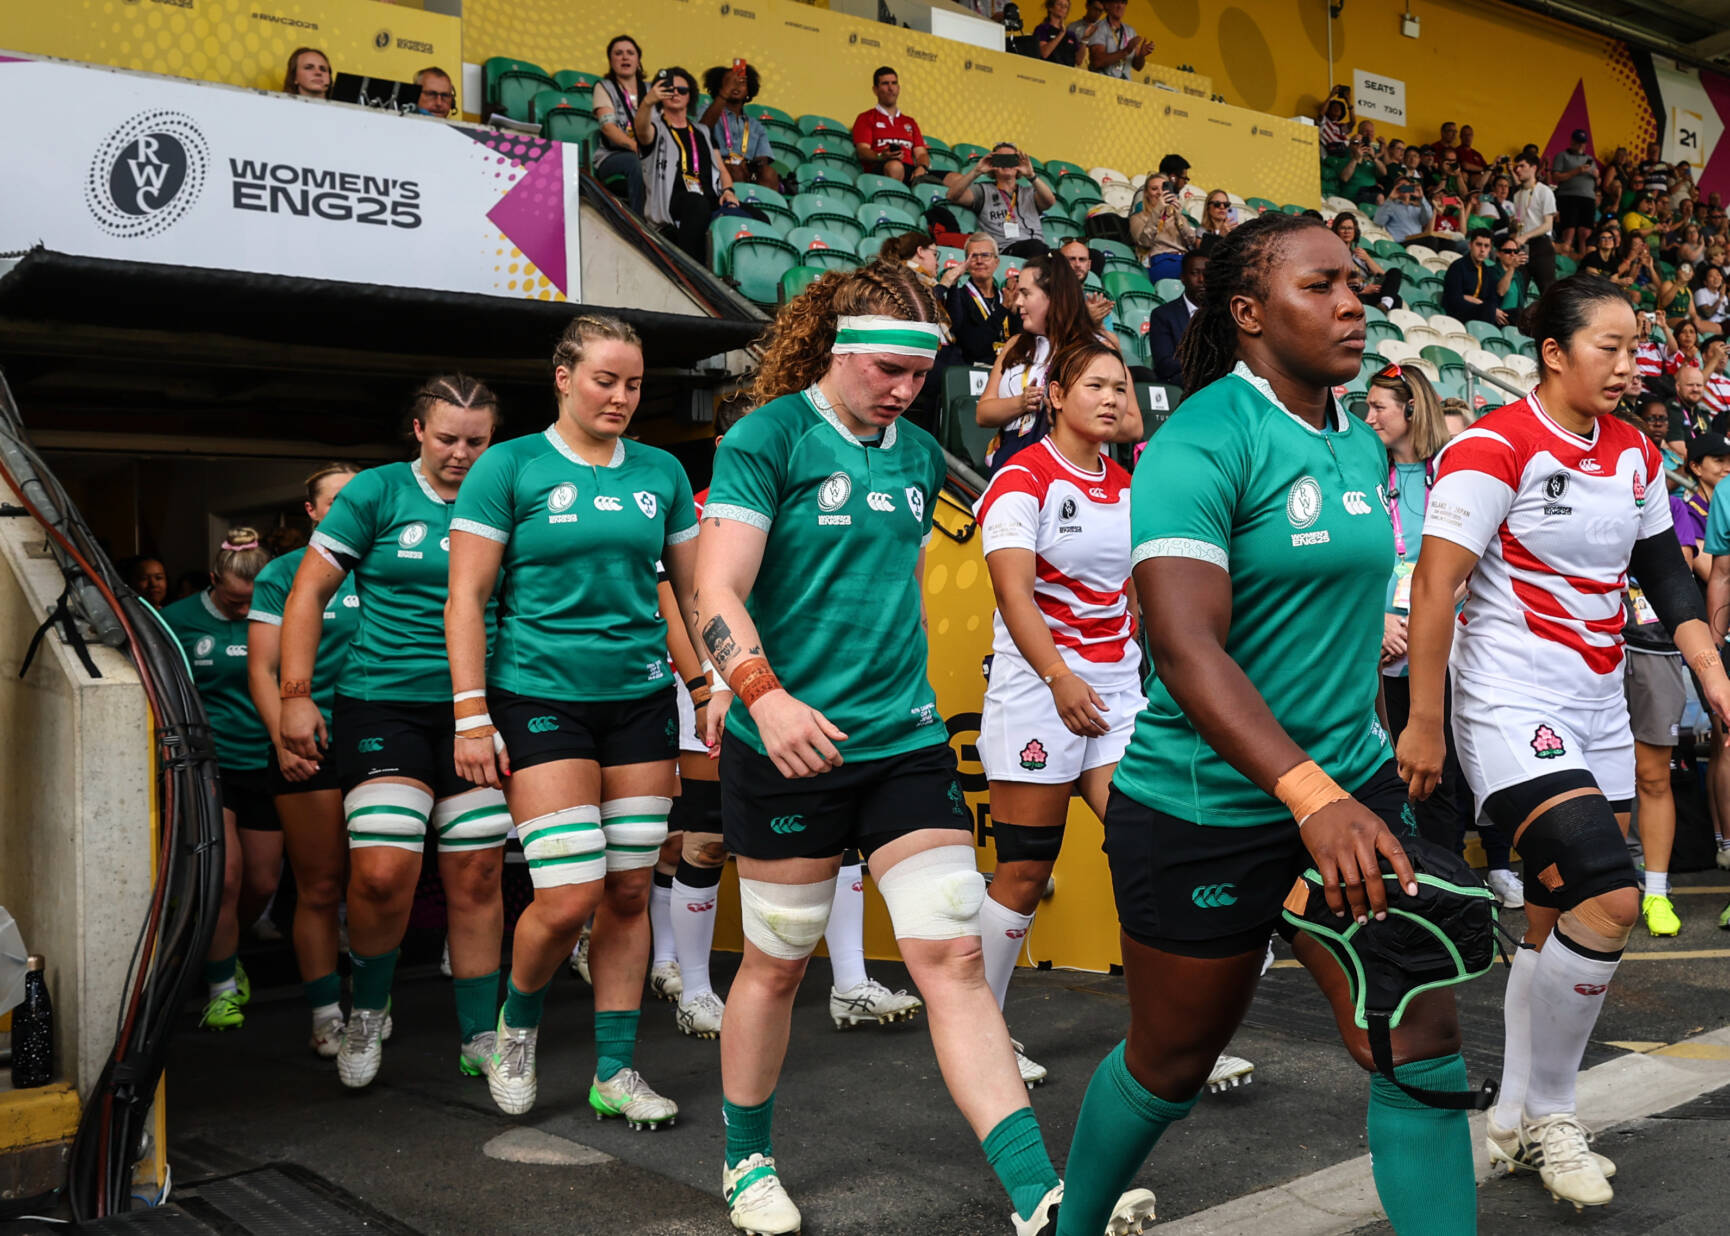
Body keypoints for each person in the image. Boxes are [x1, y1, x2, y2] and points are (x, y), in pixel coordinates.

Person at [692, 261, 1155, 1236]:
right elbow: (717, 593)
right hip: (784, 743)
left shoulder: (910, 456)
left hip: (899, 743)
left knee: (947, 955)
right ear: (832, 346)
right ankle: (745, 1161)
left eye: (917, 372)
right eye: (885, 370)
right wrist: (757, 697)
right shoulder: (765, 439)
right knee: (775, 964)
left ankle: (1038, 1196)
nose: (904, 391)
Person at [1055, 213, 1475, 1236]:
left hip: (1347, 785)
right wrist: (1307, 797)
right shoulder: (1203, 438)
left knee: (1415, 1036)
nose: (1350, 302)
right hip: (1202, 805)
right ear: (1245, 312)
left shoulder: (1353, 440)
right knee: (1169, 1063)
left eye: (1354, 283)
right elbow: (1186, 648)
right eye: (1319, 285)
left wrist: (1350, 772)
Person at [1400, 274, 1730, 1208]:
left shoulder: (1634, 451)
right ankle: (1552, 1113)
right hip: (1508, 701)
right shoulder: (1491, 447)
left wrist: (1709, 670)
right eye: (1609, 349)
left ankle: (1509, 1114)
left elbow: (1664, 570)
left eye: (1637, 350)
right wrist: (1427, 720)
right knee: (1611, 897)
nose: (1630, 368)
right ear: (1555, 352)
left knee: (1555, 919)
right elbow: (1433, 590)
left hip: (1597, 702)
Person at [445, 317, 692, 1124]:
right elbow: (467, 600)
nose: (621, 397)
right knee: (569, 893)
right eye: (604, 381)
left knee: (628, 890)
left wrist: (714, 684)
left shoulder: (661, 470)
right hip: (539, 695)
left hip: (642, 698)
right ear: (562, 377)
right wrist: (472, 717)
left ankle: (613, 1072)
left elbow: (690, 596)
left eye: (633, 384)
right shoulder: (508, 466)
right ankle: (516, 1026)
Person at [279, 376, 513, 1090]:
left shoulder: (509, 490)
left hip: (479, 708)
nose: (461, 454)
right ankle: (366, 1009)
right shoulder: (376, 491)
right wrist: (295, 696)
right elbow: (307, 593)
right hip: (382, 704)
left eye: (477, 441)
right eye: (447, 438)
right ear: (417, 430)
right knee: (381, 873)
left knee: (475, 870)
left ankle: (480, 1032)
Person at [974, 340, 1143, 1091]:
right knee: (1023, 870)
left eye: (1121, 386)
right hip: (1039, 695)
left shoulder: (1130, 481)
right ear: (1056, 394)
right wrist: (1058, 676)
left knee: (1145, 850)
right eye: (1095, 386)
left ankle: (1167, 1037)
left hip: (1118, 693)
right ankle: (981, 1030)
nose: (1110, 398)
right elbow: (1013, 595)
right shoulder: (1022, 477)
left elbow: (1133, 590)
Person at [1364, 366, 1516, 901]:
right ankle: (1391, 888)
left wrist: (1433, 609)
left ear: (1412, 410)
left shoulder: (1449, 472)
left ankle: (1445, 891)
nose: (1369, 416)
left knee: (1441, 776)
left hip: (1440, 643)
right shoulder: (1363, 470)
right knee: (1383, 770)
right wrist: (1375, 622)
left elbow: (1476, 555)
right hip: (1374, 646)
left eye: (1379, 405)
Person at [246, 464, 362, 1055]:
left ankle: (372, 1005)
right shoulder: (283, 574)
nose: (349, 506)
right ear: (312, 512)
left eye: (357, 497)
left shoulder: (388, 563)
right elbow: (262, 669)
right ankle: (325, 1014)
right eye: (336, 500)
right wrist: (282, 738)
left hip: (379, 737)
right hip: (309, 743)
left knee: (375, 884)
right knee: (319, 887)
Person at [163, 529, 278, 1031]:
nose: (244, 610)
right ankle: (221, 988)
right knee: (225, 879)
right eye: (234, 600)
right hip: (213, 764)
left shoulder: (281, 608)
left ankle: (227, 952)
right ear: (214, 581)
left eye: (252, 601)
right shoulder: (179, 621)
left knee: (260, 883)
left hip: (269, 761)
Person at [976, 254, 1138, 471]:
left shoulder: (1100, 346)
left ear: (1053, 297)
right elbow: (983, 413)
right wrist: (1023, 403)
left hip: (1074, 477)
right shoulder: (1015, 345)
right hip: (1013, 471)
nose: (1018, 302)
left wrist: (1068, 416)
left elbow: (1133, 426)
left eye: (1026, 293)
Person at [635, 65, 741, 262]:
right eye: (669, 89)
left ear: (690, 96)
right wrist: (648, 102)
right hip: (674, 204)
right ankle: (690, 268)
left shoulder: (703, 132)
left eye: (682, 90)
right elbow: (641, 131)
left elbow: (722, 170)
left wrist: (728, 191)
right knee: (696, 203)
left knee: (758, 216)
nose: (676, 93)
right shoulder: (655, 128)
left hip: (709, 200)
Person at [946, 143, 1057, 258]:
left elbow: (1050, 201)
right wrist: (976, 171)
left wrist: (1031, 175)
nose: (1006, 163)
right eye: (1001, 159)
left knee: (1065, 255)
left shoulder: (1030, 193)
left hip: (1039, 249)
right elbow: (952, 195)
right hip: (1007, 250)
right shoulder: (983, 191)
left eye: (1011, 159)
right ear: (993, 164)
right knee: (1036, 247)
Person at [591, 36, 651, 214]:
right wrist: (636, 148)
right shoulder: (604, 87)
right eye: (618, 53)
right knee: (636, 163)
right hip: (613, 156)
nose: (625, 57)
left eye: (630, 53)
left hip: (649, 156)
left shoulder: (651, 90)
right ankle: (639, 227)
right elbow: (608, 127)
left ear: (638, 60)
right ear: (611, 61)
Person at [701, 62, 780, 193]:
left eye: (742, 82)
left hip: (747, 171)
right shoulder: (707, 110)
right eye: (730, 82)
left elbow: (763, 160)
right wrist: (724, 94)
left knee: (769, 173)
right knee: (734, 170)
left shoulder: (756, 126)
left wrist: (748, 165)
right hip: (715, 167)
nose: (735, 86)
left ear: (749, 89)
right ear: (720, 87)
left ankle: (762, 209)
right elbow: (700, 131)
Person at [944, 233, 1016, 366]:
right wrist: (1003, 309)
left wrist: (1014, 312)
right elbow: (974, 347)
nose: (979, 261)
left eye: (985, 255)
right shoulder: (958, 298)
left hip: (1009, 369)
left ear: (996, 262)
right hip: (976, 372)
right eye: (973, 256)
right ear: (966, 263)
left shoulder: (1006, 297)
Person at [851, 67, 931, 185]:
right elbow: (862, 151)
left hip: (910, 170)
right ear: (875, 90)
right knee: (895, 166)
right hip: (881, 167)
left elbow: (921, 153)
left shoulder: (910, 122)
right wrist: (880, 156)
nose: (890, 88)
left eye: (894, 83)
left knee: (955, 178)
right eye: (885, 83)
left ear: (898, 88)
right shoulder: (865, 118)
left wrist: (922, 167)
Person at [1145, 247, 1205, 385]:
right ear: (1183, 278)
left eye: (1207, 274)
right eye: (1195, 273)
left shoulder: (1222, 313)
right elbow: (1165, 365)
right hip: (1182, 385)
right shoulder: (1163, 315)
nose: (1202, 279)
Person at [1129, 172, 1196, 282]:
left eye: (1163, 188)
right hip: (1160, 260)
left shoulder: (1176, 215)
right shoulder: (1137, 218)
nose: (1159, 192)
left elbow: (1191, 240)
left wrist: (1179, 215)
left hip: (1185, 260)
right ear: (1146, 193)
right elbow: (1144, 242)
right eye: (1154, 189)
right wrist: (1157, 211)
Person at [1331, 212, 1402, 308]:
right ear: (1336, 231)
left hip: (1369, 293)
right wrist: (1363, 290)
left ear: (1355, 231)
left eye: (1350, 228)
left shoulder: (1358, 255)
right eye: (1343, 228)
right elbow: (1336, 283)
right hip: (1354, 295)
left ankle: (1384, 305)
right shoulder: (1333, 254)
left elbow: (1383, 276)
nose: (1347, 231)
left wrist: (1367, 259)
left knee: (1395, 275)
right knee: (1360, 299)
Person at [1512, 152, 1560, 290]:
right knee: (1519, 289)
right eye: (1517, 167)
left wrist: (1525, 235)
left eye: (1522, 166)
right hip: (1523, 246)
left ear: (1533, 168)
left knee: (1547, 290)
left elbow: (1548, 225)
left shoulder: (1544, 191)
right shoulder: (1517, 195)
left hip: (1541, 245)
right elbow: (1519, 222)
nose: (1518, 170)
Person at [1441, 229, 1507, 325]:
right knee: (1488, 309)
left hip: (1483, 311)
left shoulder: (1487, 272)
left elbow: (1493, 299)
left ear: (1490, 249)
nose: (1482, 250)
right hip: (1459, 313)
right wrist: (1483, 305)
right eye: (1479, 244)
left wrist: (1478, 302)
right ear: (1470, 245)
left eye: (1486, 246)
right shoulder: (1458, 266)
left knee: (1515, 314)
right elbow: (1454, 299)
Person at [1552, 130, 1600, 260]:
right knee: (1569, 229)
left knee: (1586, 231)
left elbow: (1598, 182)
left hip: (1588, 197)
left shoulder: (1590, 159)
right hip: (1569, 196)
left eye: (1583, 143)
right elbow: (1556, 176)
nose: (1580, 146)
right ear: (1572, 141)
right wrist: (1577, 171)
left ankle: (1584, 259)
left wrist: (1597, 176)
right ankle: (1564, 258)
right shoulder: (1562, 156)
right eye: (1578, 142)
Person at [1057, 238, 1116, 329]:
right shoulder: (1047, 299)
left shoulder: (1095, 306)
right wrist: (1086, 320)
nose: (1077, 264)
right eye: (1071, 259)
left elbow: (1113, 343)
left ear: (1089, 265)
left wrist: (1098, 325)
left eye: (1082, 259)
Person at [1086, 0, 1151, 80]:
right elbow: (1097, 61)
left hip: (1123, 86)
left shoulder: (1130, 31)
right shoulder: (1099, 28)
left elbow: (1138, 67)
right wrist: (1126, 51)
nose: (1120, 6)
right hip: (1102, 82)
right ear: (1107, 5)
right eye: (1116, 2)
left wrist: (1141, 55)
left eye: (1123, 2)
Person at [1372, 178, 1435, 246]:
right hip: (1401, 243)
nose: (1404, 188)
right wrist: (1390, 198)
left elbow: (1429, 216)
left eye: (1406, 186)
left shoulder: (1417, 208)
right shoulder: (1390, 206)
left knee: (1444, 242)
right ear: (1396, 189)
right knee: (1431, 240)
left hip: (1417, 243)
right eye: (1400, 186)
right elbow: (1378, 221)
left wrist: (1421, 198)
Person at [1028, 0, 1084, 68]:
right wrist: (1061, 34)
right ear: (1050, 8)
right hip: (1047, 72)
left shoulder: (1071, 35)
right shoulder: (1042, 28)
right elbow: (1044, 53)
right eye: (1059, 4)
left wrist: (1085, 40)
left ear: (1066, 13)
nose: (1062, 7)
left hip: (1067, 75)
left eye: (1066, 6)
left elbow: (1079, 61)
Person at [1317, 85, 1354, 151]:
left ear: (1342, 113)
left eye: (1339, 108)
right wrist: (1331, 95)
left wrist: (1348, 101)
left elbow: (1352, 123)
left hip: (1342, 150)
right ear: (1328, 110)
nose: (1336, 109)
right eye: (1334, 108)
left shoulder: (1340, 127)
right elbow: (1321, 113)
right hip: (1329, 151)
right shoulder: (1324, 121)